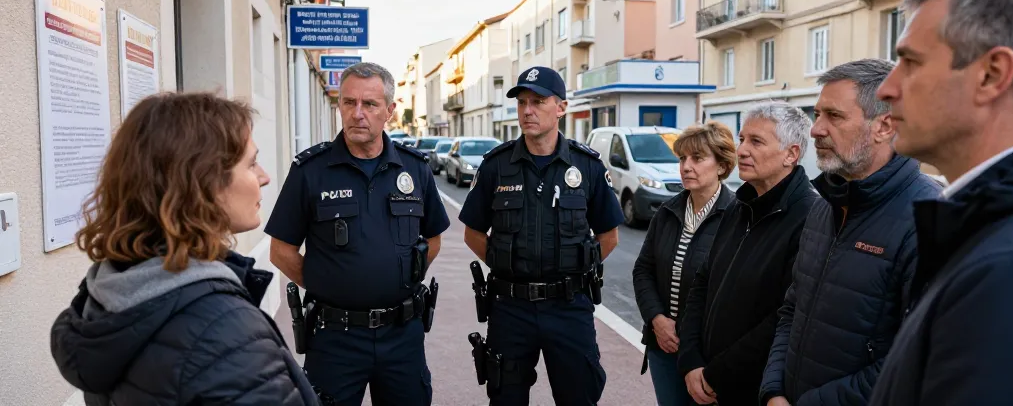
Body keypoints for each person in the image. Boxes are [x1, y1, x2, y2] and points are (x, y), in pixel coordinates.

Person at [50, 92, 319, 405]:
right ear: (203, 183)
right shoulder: (225, 334)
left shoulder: (111, 288)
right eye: (252, 163)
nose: (265, 178)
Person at [869, 0, 1013, 405]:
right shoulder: (987, 234)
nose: (886, 88)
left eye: (910, 62)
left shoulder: (1007, 270)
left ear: (991, 75)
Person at [759, 60, 941, 406]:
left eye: (834, 116)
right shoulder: (824, 207)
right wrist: (773, 390)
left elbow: (918, 359)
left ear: (884, 126)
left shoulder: (929, 219)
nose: (816, 130)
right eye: (817, 115)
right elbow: (793, 310)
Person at [266, 62, 449, 405]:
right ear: (340, 106)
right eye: (349, 102)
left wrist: (402, 277)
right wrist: (329, 284)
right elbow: (281, 250)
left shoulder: (415, 168)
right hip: (335, 338)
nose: (358, 113)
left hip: (402, 335)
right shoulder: (311, 171)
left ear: (389, 111)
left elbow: (434, 239)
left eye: (370, 104)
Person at [460, 66, 623, 405]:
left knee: (579, 398)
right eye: (522, 102)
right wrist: (505, 263)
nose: (527, 111)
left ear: (561, 107)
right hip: (510, 308)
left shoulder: (587, 166)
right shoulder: (496, 166)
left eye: (538, 101)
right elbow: (472, 232)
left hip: (569, 307)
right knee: (505, 398)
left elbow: (609, 236)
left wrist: (576, 266)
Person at [677, 101, 817, 406]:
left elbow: (784, 316)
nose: (741, 150)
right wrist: (690, 358)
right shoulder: (738, 207)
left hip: (751, 389)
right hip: (703, 379)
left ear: (791, 154)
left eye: (756, 141)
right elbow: (703, 282)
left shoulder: (811, 218)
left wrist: (715, 375)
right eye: (742, 139)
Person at [633, 121, 738, 406]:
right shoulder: (667, 212)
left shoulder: (737, 217)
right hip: (664, 347)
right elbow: (643, 270)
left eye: (697, 158)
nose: (686, 166)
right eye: (682, 158)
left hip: (708, 355)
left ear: (721, 165)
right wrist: (657, 319)